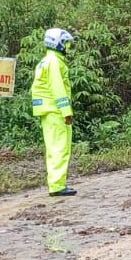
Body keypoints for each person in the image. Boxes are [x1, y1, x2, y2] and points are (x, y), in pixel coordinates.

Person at [31, 27, 77, 196]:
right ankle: (57, 186)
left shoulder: (45, 61)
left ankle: (55, 183)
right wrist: (67, 112)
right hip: (55, 110)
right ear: (57, 43)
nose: (67, 47)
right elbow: (57, 88)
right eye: (65, 43)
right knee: (60, 147)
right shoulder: (55, 62)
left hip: (47, 110)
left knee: (53, 147)